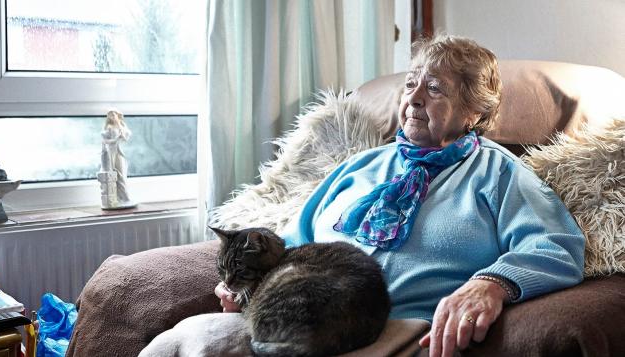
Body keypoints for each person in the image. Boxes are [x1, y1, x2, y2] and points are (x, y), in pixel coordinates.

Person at [215, 35, 585, 357]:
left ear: (473, 111)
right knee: (181, 344)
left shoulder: (500, 174)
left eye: (435, 88)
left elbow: (556, 245)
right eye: (410, 85)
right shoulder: (359, 165)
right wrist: (249, 285)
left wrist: (492, 284)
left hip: (401, 331)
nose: (415, 97)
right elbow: (295, 242)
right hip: (301, 323)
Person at [100, 109, 133, 205]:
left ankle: (125, 198)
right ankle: (117, 199)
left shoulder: (122, 126)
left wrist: (121, 133)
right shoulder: (109, 127)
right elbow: (106, 141)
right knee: (112, 175)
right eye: (109, 115)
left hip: (119, 152)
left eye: (113, 115)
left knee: (121, 175)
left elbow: (126, 137)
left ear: (117, 115)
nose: (111, 117)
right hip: (111, 152)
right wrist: (116, 139)